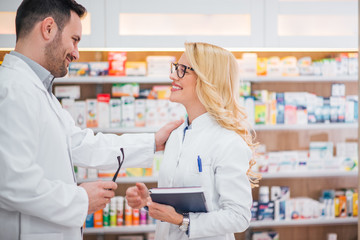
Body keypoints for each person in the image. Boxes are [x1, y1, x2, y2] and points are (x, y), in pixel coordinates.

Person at [0, 1, 182, 240]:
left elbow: (83, 145)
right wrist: (81, 199)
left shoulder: (39, 93)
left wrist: (152, 143)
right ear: (48, 29)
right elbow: (11, 183)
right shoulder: (11, 89)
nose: (76, 53)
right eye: (75, 39)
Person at [126, 42, 260, 240]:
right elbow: (177, 202)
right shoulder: (176, 135)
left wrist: (183, 221)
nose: (172, 76)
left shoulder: (228, 141)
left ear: (208, 79)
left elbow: (239, 216)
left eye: (182, 70)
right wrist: (149, 201)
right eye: (175, 69)